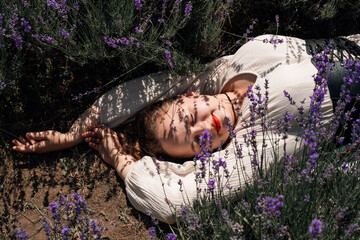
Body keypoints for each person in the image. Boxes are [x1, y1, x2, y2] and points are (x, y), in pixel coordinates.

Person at [12, 34, 360, 223]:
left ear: (192, 94)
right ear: (203, 156)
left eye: (192, 112)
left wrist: (74, 133)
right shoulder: (255, 145)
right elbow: (173, 202)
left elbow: (139, 92)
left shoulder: (227, 69)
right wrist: (119, 157)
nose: (207, 123)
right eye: (198, 140)